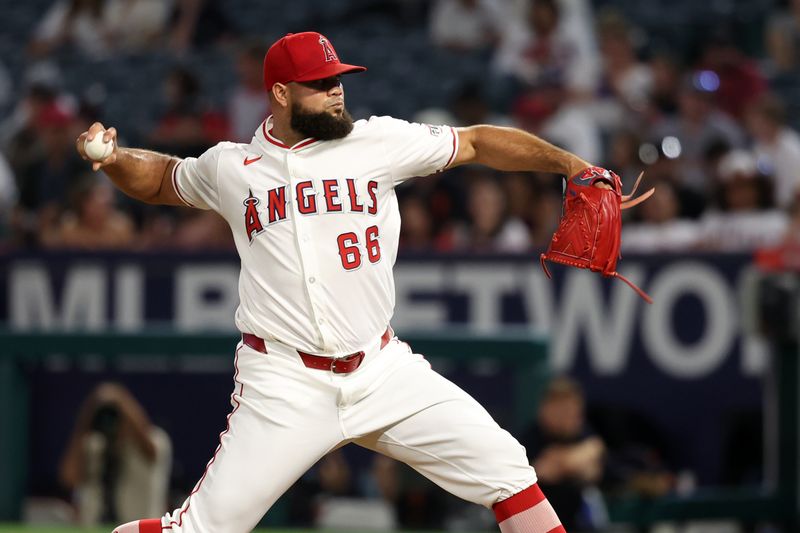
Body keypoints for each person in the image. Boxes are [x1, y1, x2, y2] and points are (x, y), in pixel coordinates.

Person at [76, 31, 616, 533]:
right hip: (285, 382)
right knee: (203, 528)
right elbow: (162, 181)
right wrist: (117, 157)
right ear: (282, 93)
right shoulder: (232, 167)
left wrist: (568, 165)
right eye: (321, 85)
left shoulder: (378, 142)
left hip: (382, 370)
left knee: (507, 471)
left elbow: (474, 142)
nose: (337, 94)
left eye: (338, 81)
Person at [59, 382, 172, 527]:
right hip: (95, 527)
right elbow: (69, 479)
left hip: (137, 528)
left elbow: (150, 449)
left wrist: (120, 400)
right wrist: (88, 416)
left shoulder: (155, 440)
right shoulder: (94, 444)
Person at [520, 377, 606, 531]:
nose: (569, 416)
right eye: (562, 409)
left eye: (573, 410)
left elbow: (596, 456)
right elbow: (544, 471)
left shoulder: (582, 434)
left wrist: (562, 459)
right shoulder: (528, 439)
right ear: (545, 409)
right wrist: (579, 459)